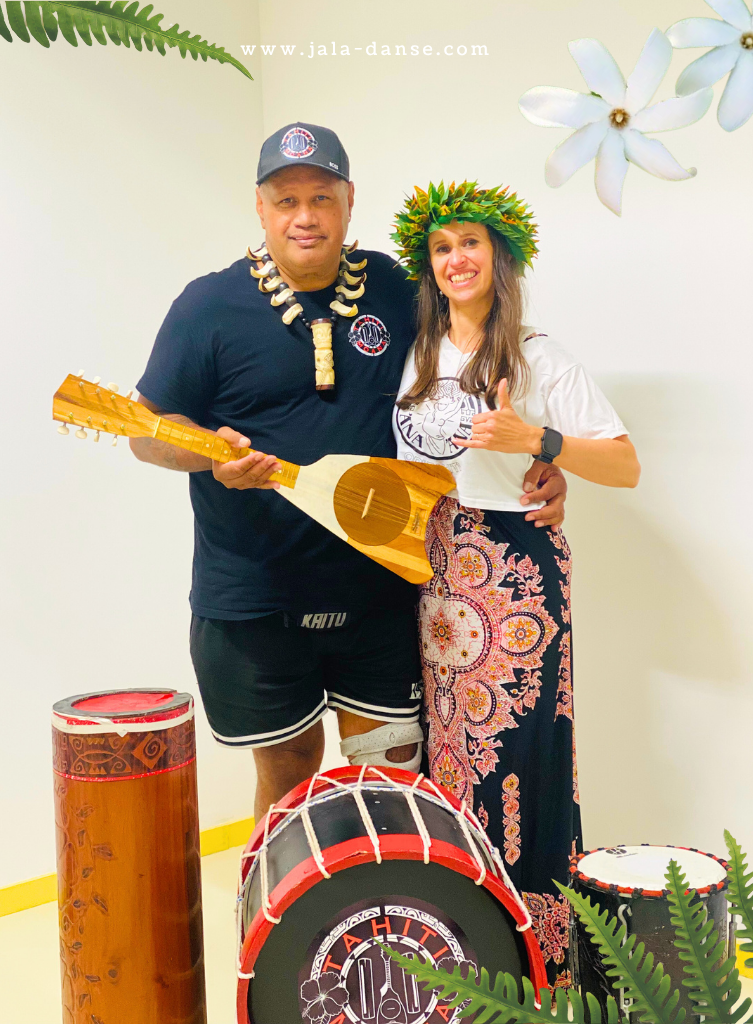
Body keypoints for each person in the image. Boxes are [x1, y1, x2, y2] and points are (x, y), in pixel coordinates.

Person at [129, 124, 567, 823]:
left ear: (349, 200)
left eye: (322, 198)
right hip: (255, 599)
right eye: (287, 200)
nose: (305, 216)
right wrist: (209, 454)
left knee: (393, 781)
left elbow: (472, 369)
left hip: (381, 587)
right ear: (260, 207)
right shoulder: (207, 307)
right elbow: (143, 432)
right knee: (289, 780)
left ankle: (393, 900)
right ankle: (276, 898)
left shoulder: (395, 288)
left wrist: (540, 457)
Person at [391, 180, 640, 988]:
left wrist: (541, 441)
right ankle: (463, 947)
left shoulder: (537, 354)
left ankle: (540, 961)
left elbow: (626, 465)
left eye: (470, 242)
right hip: (439, 571)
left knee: (521, 759)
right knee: (452, 755)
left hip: (515, 574)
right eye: (441, 247)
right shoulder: (420, 354)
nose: (456, 259)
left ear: (500, 257)